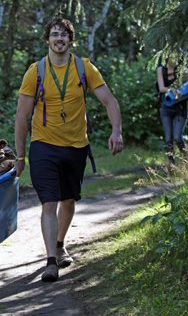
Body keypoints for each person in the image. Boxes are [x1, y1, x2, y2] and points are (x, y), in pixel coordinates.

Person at [14, 17, 123, 282]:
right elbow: (21, 117)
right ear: (47, 39)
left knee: (69, 199)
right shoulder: (35, 71)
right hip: (44, 146)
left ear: (70, 40)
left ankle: (60, 244)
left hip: (76, 146)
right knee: (49, 201)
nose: (59, 39)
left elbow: (109, 101)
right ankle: (51, 261)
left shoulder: (84, 68)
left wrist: (116, 131)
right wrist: (20, 156)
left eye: (64, 35)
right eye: (54, 35)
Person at [156, 55, 188, 165]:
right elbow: (161, 88)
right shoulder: (161, 69)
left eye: (177, 58)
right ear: (167, 57)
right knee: (168, 139)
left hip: (181, 109)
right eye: (172, 57)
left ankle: (186, 162)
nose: (175, 60)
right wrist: (172, 90)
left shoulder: (182, 69)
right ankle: (172, 165)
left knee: (177, 137)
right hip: (166, 108)